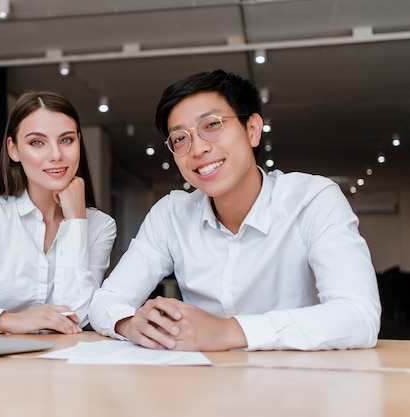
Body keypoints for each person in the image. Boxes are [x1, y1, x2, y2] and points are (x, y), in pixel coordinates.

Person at [89, 69, 381, 351]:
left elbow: (358, 316)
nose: (198, 149)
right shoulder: (171, 214)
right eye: (180, 138)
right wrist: (129, 322)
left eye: (212, 125)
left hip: (296, 385)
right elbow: (107, 300)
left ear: (252, 130)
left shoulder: (312, 200)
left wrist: (230, 331)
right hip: (204, 384)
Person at [0, 91, 116, 335]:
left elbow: (75, 317)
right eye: (37, 142)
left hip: (62, 366)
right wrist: (7, 321)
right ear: (13, 149)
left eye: (66, 140)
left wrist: (76, 221)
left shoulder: (100, 226)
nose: (56, 155)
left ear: (79, 142)